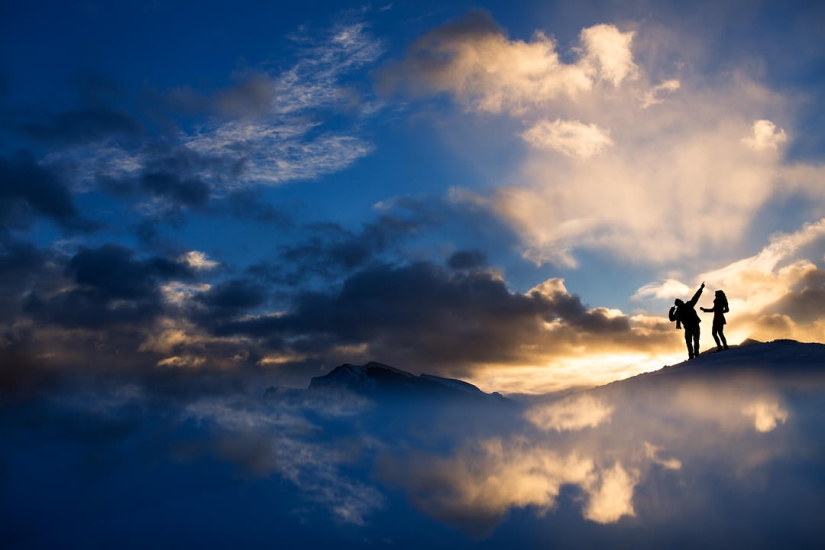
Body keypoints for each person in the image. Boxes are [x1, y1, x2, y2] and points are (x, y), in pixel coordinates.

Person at [669, 282, 705, 360]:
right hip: (688, 326)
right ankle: (691, 355)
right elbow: (672, 318)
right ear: (678, 304)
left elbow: (695, 298)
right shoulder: (678, 312)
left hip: (694, 324)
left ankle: (696, 353)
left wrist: (701, 289)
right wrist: (671, 311)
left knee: (696, 339)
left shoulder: (689, 304)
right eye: (678, 302)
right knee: (689, 341)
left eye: (680, 301)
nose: (680, 302)